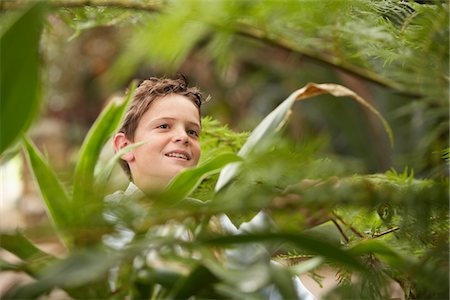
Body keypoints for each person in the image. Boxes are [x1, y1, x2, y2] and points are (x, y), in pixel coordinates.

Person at [109, 75, 315, 299]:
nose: (182, 137)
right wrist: (270, 224)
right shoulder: (106, 220)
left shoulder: (212, 224)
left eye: (192, 132)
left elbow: (263, 280)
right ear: (125, 147)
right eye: (164, 126)